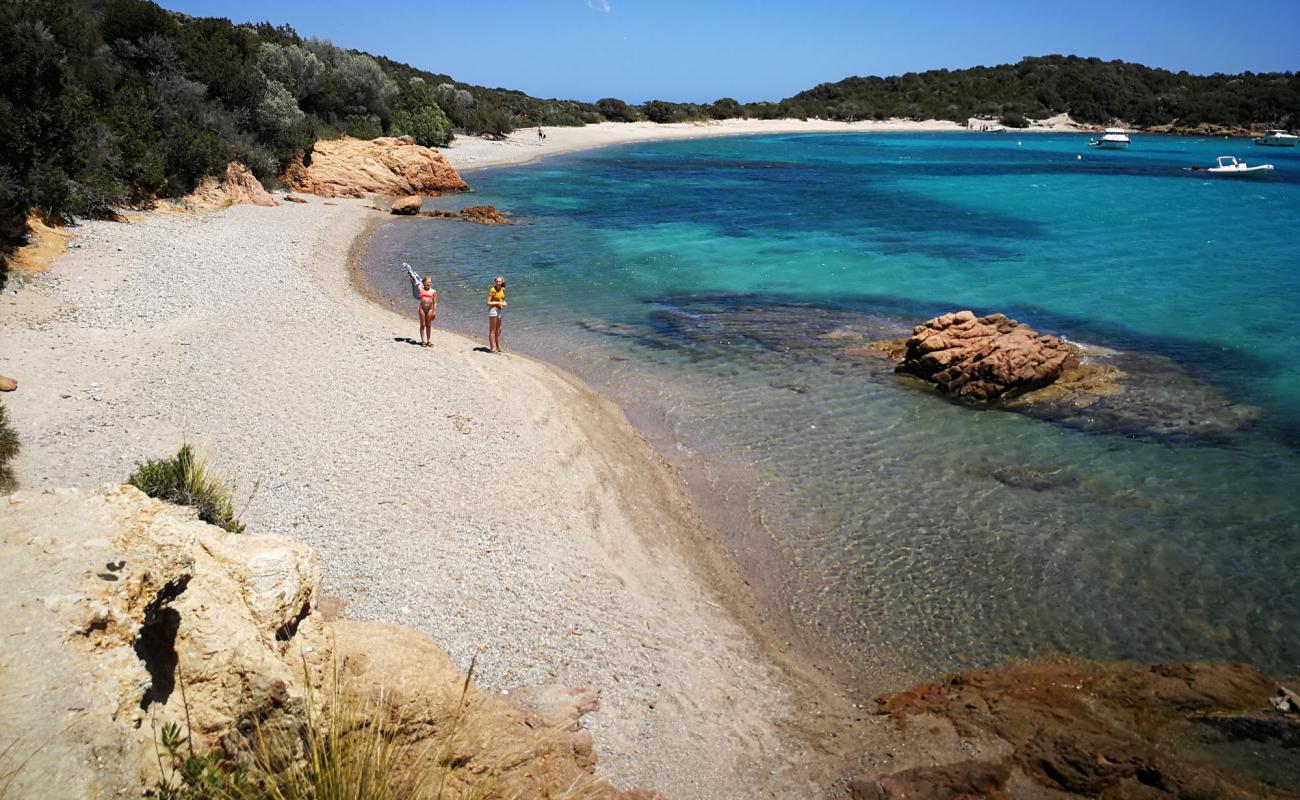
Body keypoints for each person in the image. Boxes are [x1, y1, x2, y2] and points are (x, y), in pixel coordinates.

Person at [407, 263, 437, 347]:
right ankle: (423, 340)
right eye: (428, 282)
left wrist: (434, 312)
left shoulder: (433, 291)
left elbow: (435, 302)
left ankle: (429, 340)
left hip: (430, 309)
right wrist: (410, 273)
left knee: (429, 325)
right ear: (423, 283)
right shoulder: (421, 289)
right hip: (422, 309)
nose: (429, 284)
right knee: (423, 324)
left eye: (430, 282)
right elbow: (415, 282)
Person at [486, 275, 507, 353]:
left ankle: (498, 347)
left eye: (499, 281)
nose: (498, 283)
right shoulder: (492, 289)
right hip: (493, 311)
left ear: (502, 282)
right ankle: (492, 348)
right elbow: (488, 302)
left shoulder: (502, 289)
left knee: (499, 330)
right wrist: (498, 302)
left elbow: (502, 299)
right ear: (495, 282)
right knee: (492, 330)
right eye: (497, 281)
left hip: (499, 311)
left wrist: (503, 303)